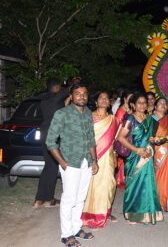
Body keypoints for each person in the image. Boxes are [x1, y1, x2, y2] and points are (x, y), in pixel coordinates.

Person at [46, 82, 99, 247]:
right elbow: (50, 141)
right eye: (78, 93)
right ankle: (66, 234)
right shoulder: (62, 114)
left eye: (84, 93)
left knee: (80, 198)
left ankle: (76, 228)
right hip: (70, 162)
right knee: (69, 199)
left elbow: (91, 139)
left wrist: (94, 160)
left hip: (86, 162)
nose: (82, 96)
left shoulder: (88, 113)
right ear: (72, 95)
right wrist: (62, 162)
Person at [116, 93, 163, 225]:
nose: (142, 105)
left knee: (146, 185)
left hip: (147, 155)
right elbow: (120, 137)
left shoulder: (149, 119)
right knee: (134, 186)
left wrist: (154, 140)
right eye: (139, 103)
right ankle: (132, 213)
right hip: (134, 156)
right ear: (133, 105)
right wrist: (137, 150)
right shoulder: (130, 119)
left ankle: (146, 213)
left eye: (144, 102)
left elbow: (148, 137)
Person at [81, 92, 118, 228]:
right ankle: (89, 215)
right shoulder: (88, 117)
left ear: (110, 103)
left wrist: (114, 156)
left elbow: (113, 141)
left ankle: (104, 212)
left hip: (107, 157)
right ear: (96, 102)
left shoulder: (113, 120)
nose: (103, 100)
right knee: (91, 185)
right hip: (91, 156)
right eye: (100, 98)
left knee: (108, 185)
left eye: (106, 98)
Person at [34, 77, 69, 208]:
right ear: (56, 88)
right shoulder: (57, 97)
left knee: (48, 166)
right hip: (53, 137)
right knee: (52, 167)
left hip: (44, 135)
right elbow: (68, 90)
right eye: (59, 87)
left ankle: (39, 199)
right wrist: (73, 84)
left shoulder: (44, 100)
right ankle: (48, 199)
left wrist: (67, 99)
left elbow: (59, 108)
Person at [152, 98, 168, 212]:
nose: (162, 105)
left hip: (166, 150)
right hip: (154, 150)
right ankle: (155, 202)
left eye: (164, 104)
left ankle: (165, 202)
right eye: (160, 103)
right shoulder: (150, 119)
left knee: (166, 177)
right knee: (155, 176)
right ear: (155, 106)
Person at [114, 90, 133, 190]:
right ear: (125, 99)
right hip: (122, 139)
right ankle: (122, 180)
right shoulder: (121, 111)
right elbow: (116, 127)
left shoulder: (130, 110)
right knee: (123, 160)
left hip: (129, 138)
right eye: (130, 98)